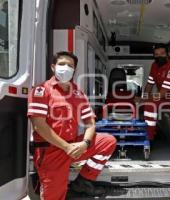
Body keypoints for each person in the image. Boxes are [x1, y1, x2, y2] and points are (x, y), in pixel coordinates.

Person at [27, 51, 117, 199]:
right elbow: (39, 126)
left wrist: (85, 143)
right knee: (54, 196)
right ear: (53, 67)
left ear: (74, 70)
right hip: (51, 151)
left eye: (70, 65)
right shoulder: (41, 91)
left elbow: (90, 123)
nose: (66, 68)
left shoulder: (78, 93)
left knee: (108, 141)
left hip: (74, 146)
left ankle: (83, 181)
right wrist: (66, 147)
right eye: (61, 64)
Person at [140, 43, 170, 140]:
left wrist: (146, 100)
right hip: (164, 98)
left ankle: (149, 137)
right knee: (143, 103)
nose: (159, 56)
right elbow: (149, 84)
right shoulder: (154, 65)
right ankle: (145, 129)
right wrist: (143, 97)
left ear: (167, 54)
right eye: (156, 54)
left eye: (162, 53)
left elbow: (164, 93)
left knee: (150, 104)